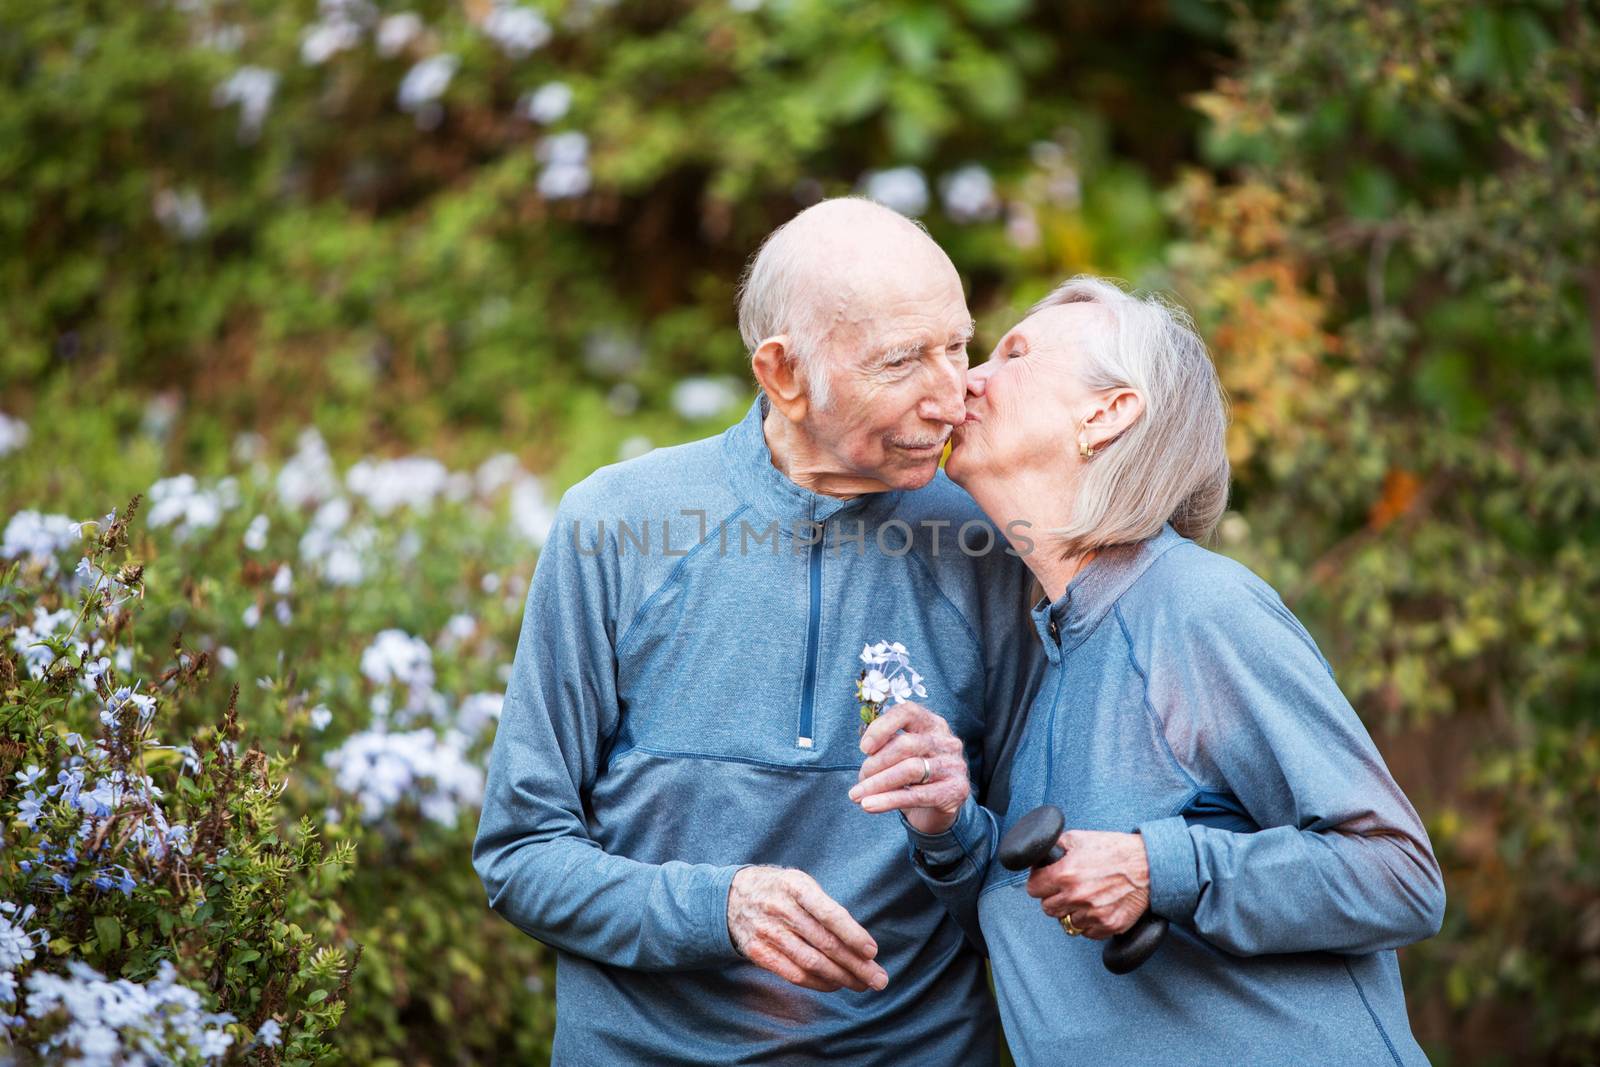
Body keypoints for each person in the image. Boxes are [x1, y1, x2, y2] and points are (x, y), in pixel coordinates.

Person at [471, 197, 1043, 1064]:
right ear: (782, 374)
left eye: (957, 345)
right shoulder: (615, 524)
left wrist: (953, 828)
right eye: (901, 361)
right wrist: (720, 907)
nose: (951, 397)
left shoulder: (992, 541)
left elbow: (1035, 887)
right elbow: (521, 854)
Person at [851, 276, 1446, 1065]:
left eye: (1016, 353)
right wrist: (951, 825)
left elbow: (1400, 876)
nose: (968, 379)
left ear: (1108, 413)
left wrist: (1157, 864)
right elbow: (1040, 932)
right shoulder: (1048, 647)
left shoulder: (1195, 606)